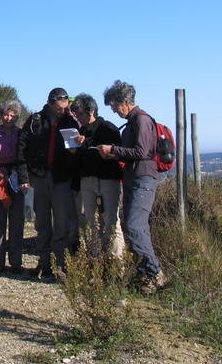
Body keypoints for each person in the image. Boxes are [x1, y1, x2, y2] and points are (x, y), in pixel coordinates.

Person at [97, 80, 165, 294]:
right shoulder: (134, 121)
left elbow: (142, 152)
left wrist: (113, 149)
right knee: (136, 227)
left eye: (115, 106)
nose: (115, 111)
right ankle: (149, 275)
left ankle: (154, 274)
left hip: (142, 179)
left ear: (126, 102)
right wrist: (113, 154)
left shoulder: (141, 120)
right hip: (135, 178)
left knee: (135, 227)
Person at [16, 87, 79, 278]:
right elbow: (21, 148)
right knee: (41, 222)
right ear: (50, 104)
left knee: (62, 222)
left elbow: (78, 151)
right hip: (38, 177)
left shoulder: (70, 121)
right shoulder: (35, 120)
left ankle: (59, 264)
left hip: (62, 178)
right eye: (60, 108)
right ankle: (44, 263)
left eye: (65, 107)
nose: (63, 110)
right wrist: (23, 177)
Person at [70, 93, 124, 258]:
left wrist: (85, 143)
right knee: (89, 223)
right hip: (87, 181)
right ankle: (95, 261)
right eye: (76, 114)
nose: (78, 118)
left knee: (111, 223)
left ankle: (116, 264)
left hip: (108, 181)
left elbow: (111, 152)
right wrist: (75, 151)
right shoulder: (80, 131)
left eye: (80, 114)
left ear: (91, 111)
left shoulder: (108, 128)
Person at [0, 100, 25, 275]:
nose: (9, 118)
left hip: (17, 179)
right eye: (6, 114)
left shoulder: (21, 134)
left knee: (17, 222)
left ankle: (16, 262)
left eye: (13, 115)